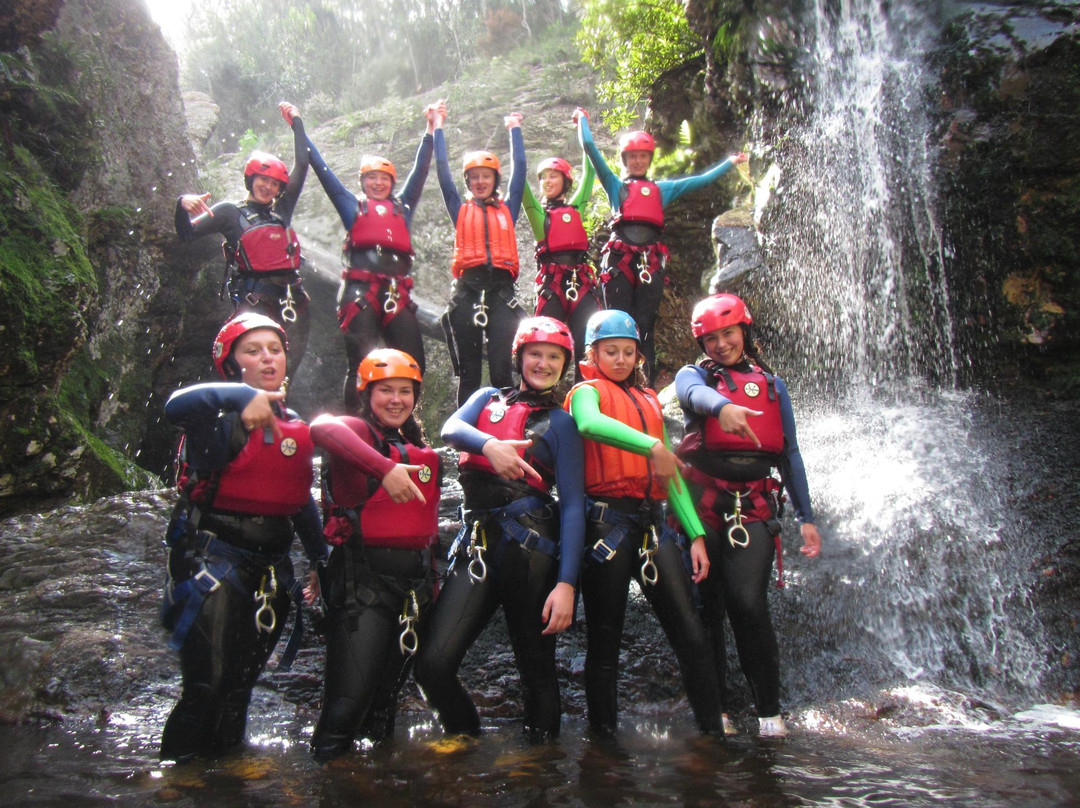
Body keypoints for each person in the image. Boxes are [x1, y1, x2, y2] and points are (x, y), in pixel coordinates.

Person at [159, 312, 327, 762]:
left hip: (270, 566)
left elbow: (298, 499)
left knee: (239, 688)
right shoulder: (213, 419)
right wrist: (240, 395)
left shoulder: (294, 423)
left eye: (275, 349)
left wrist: (320, 559)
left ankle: (227, 773)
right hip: (211, 560)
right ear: (231, 365)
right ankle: (180, 778)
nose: (268, 358)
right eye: (252, 351)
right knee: (206, 684)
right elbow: (175, 404)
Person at [414, 316, 585, 739]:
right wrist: (490, 445)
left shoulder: (562, 423)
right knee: (432, 663)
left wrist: (567, 584)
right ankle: (465, 739)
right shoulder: (486, 398)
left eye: (553, 358)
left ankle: (540, 769)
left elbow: (575, 507)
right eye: (535, 354)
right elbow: (450, 429)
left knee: (536, 669)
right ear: (519, 357)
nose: (543, 364)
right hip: (477, 542)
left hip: (532, 547)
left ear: (564, 366)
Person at [564, 309, 723, 737]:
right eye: (610, 351)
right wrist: (651, 443)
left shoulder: (651, 399)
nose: (620, 359)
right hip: (607, 527)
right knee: (605, 642)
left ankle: (713, 734)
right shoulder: (585, 392)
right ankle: (604, 746)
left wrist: (696, 534)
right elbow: (589, 423)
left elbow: (669, 473)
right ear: (592, 354)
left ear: (638, 355)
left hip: (652, 527)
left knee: (691, 633)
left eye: (628, 352)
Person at [674, 293, 822, 738]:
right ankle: (717, 708)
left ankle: (769, 713)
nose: (721, 344)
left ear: (745, 331)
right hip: (702, 507)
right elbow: (691, 393)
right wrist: (723, 406)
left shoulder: (773, 386)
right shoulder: (694, 375)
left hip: (753, 507)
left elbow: (789, 453)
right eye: (712, 338)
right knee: (708, 609)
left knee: (748, 605)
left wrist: (806, 516)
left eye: (729, 333)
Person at [308, 348, 441, 761]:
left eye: (405, 391)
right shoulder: (356, 433)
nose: (396, 400)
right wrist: (384, 468)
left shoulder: (414, 446)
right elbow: (321, 427)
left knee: (383, 711)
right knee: (346, 709)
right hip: (362, 588)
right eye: (386, 391)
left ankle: (379, 788)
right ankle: (330, 786)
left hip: (412, 591)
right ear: (367, 394)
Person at [284, 101, 442, 409]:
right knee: (360, 363)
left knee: (412, 362)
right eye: (371, 178)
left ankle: (404, 424)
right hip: (360, 292)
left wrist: (431, 128)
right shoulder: (351, 206)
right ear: (362, 182)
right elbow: (320, 166)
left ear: (392, 183)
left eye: (383, 178)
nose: (378, 183)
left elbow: (421, 168)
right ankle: (357, 428)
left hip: (396, 292)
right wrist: (297, 124)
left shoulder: (403, 207)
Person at [574, 108, 749, 382]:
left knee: (645, 325)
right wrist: (582, 119)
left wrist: (729, 163)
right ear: (625, 159)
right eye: (633, 157)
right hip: (620, 260)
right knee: (616, 322)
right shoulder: (615, 185)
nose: (638, 161)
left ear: (649, 159)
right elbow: (589, 147)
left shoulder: (662, 189)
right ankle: (610, 383)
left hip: (649, 261)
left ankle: (646, 385)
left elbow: (699, 181)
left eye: (643, 156)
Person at [175, 105, 311, 373]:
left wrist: (297, 122)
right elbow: (186, 234)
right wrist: (181, 205)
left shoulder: (281, 212)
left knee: (286, 372)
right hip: (253, 303)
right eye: (263, 179)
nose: (268, 187)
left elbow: (303, 164)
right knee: (252, 372)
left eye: (274, 184)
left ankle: (279, 412)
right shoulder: (229, 212)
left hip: (292, 302)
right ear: (251, 180)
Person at [433, 105, 528, 405]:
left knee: (502, 372)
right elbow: (443, 173)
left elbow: (521, 172)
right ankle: (466, 443)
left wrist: (514, 129)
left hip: (501, 295)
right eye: (474, 177)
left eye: (485, 176)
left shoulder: (508, 211)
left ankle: (506, 429)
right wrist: (438, 127)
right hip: (467, 293)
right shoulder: (460, 210)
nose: (480, 182)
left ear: (494, 180)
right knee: (469, 373)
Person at [521, 138, 599, 375]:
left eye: (553, 176)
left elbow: (590, 172)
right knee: (546, 341)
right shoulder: (538, 214)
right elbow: (520, 185)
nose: (546, 182)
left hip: (580, 281)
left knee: (587, 341)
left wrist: (582, 128)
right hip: (552, 285)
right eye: (543, 177)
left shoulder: (576, 209)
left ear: (566, 181)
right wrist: (514, 131)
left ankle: (583, 391)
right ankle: (542, 394)